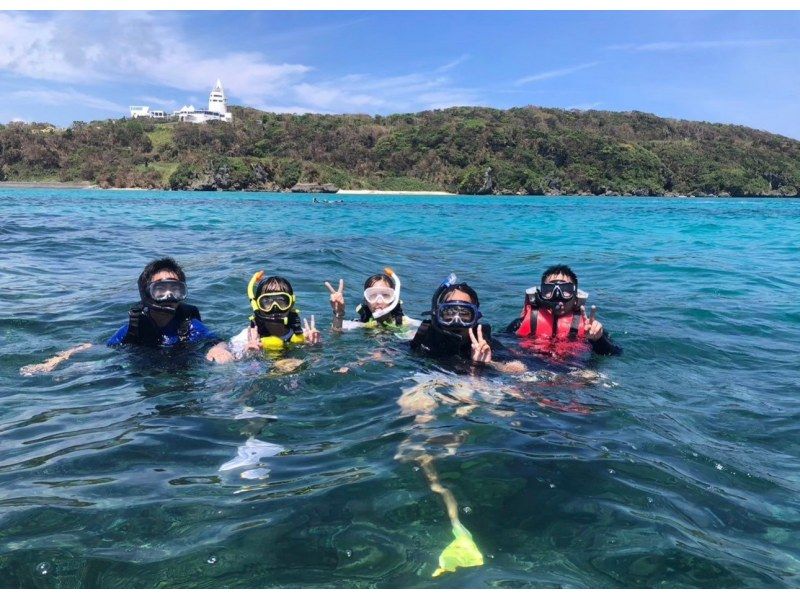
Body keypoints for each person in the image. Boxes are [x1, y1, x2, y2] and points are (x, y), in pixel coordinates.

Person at [20, 257, 216, 376]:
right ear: (146, 293)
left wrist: (220, 351)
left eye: (175, 289)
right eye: (160, 290)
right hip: (140, 367)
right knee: (83, 372)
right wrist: (56, 360)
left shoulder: (189, 326)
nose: (169, 297)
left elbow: (216, 342)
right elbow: (96, 347)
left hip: (183, 367)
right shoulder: (134, 328)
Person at [409, 273, 525, 373]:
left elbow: (519, 369)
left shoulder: (486, 345)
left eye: (464, 314)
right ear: (437, 313)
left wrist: (488, 364)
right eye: (449, 312)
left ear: (476, 317)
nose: (456, 320)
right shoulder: (425, 338)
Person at [206, 271, 321, 364]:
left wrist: (315, 347)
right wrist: (247, 354)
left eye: (281, 301)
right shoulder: (248, 337)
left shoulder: (304, 335)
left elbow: (318, 359)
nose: (274, 308)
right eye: (266, 302)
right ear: (257, 305)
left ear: (291, 303)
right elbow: (228, 354)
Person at [505, 264, 621, 357]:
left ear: (576, 297)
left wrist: (598, 339)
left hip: (574, 371)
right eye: (549, 289)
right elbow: (499, 347)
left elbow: (615, 353)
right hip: (532, 366)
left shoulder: (590, 329)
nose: (557, 295)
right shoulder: (519, 324)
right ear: (540, 294)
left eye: (566, 289)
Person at [325, 267, 421, 333]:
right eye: (373, 295)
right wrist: (339, 313)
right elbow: (336, 335)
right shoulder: (360, 324)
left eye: (386, 295)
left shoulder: (408, 324)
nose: (379, 301)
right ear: (366, 300)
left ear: (394, 299)